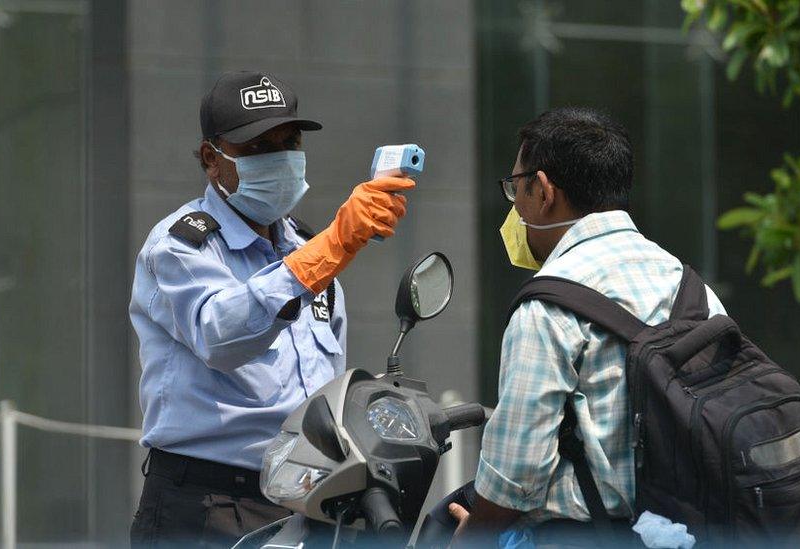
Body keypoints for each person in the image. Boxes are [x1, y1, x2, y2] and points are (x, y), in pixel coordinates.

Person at [128, 71, 413, 547]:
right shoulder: (181, 245)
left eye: (289, 142)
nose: (279, 158)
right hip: (208, 503)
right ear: (210, 159)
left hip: (306, 498)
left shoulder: (304, 244)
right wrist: (330, 247)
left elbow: (324, 376)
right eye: (258, 147)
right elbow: (220, 336)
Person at [449, 107, 726, 547]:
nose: (515, 207)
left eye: (515, 189)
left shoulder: (547, 305)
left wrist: (469, 538)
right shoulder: (692, 289)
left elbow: (515, 474)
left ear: (542, 192)